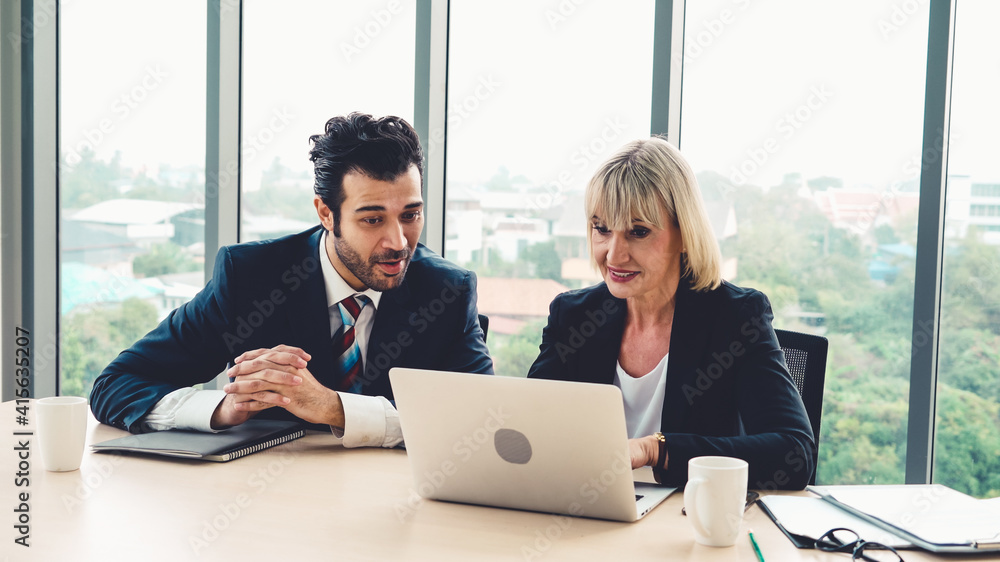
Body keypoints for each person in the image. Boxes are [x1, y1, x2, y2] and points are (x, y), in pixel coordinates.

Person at [90, 112, 493, 448]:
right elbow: (116, 385)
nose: (398, 241)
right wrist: (222, 408)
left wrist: (334, 407)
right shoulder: (250, 277)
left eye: (410, 215)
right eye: (372, 219)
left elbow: (477, 423)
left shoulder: (448, 292)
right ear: (326, 213)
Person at [527, 137, 815, 489]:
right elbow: (530, 428)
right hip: (585, 512)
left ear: (683, 233)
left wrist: (656, 450)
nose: (614, 255)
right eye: (602, 229)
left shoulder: (736, 318)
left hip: (685, 524)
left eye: (638, 232)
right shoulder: (573, 316)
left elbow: (794, 454)